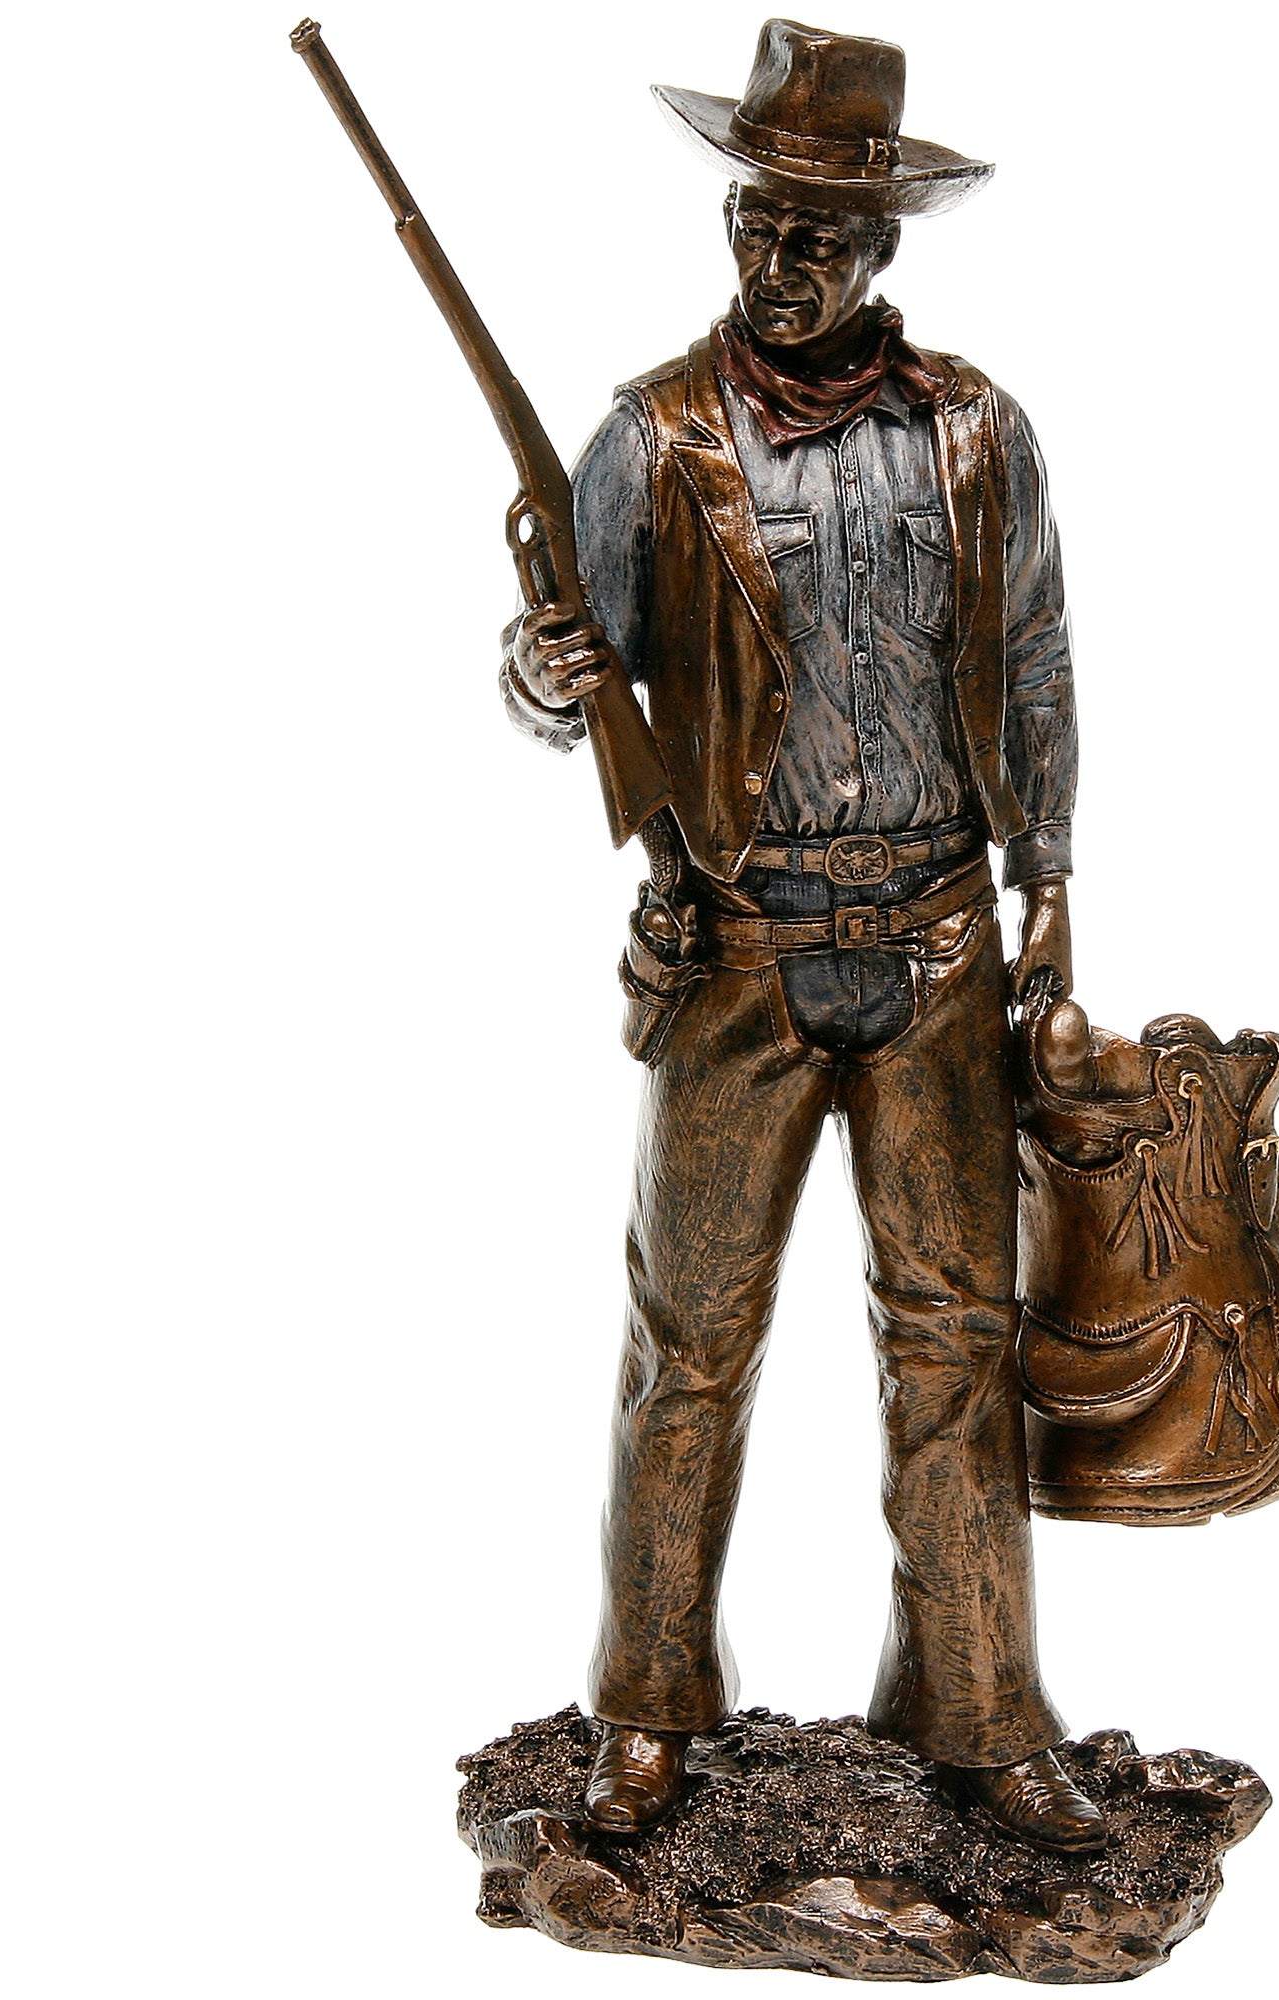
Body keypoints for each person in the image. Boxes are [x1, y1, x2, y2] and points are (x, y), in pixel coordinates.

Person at [503, 19, 1100, 1851]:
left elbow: (1037, 661)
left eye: (819, 236)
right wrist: (542, 675)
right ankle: (647, 1707)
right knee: (688, 1340)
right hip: (737, 945)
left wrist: (1051, 889)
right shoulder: (651, 436)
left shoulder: (979, 433)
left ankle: (979, 1711)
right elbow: (560, 676)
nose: (779, 260)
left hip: (938, 944)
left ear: (883, 245)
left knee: (957, 1339)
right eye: (758, 223)